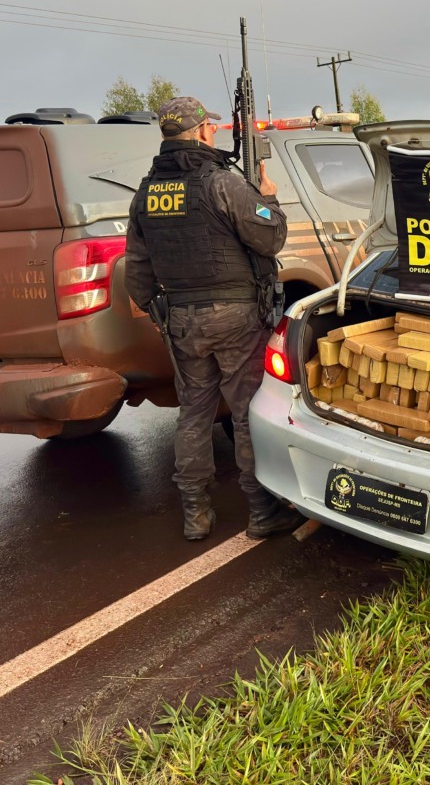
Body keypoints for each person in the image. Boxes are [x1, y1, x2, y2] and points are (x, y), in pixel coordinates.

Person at [125, 96, 304, 541]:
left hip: (181, 320)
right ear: (204, 130)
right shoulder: (222, 183)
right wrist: (270, 198)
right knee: (246, 411)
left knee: (194, 412)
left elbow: (138, 269)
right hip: (236, 317)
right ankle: (262, 511)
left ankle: (195, 513)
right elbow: (271, 238)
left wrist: (158, 312)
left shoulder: (146, 191)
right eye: (210, 126)